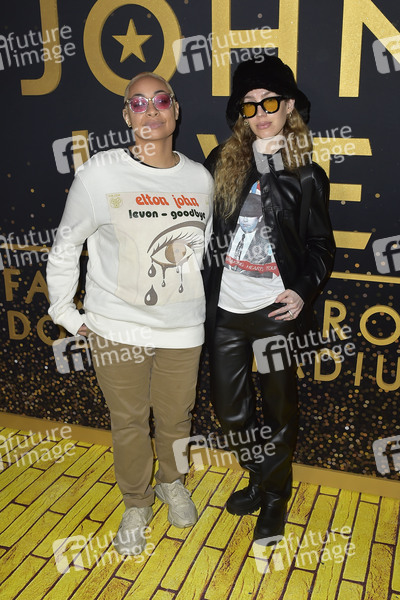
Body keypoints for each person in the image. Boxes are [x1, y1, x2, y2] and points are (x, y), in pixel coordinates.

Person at [47, 72, 213, 555]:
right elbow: (66, 246)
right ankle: (137, 503)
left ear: (176, 110)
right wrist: (66, 313)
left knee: (177, 419)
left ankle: (172, 483)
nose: (151, 110)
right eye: (138, 103)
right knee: (129, 422)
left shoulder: (199, 179)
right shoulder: (100, 173)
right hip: (116, 327)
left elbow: (198, 253)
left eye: (161, 100)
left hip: (183, 328)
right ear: (126, 115)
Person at [203, 56, 335, 544]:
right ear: (240, 112)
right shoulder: (221, 161)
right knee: (230, 413)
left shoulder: (306, 174)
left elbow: (321, 246)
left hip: (275, 312)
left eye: (270, 102)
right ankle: (261, 474)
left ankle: (275, 496)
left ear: (289, 106)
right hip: (226, 310)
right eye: (249, 104)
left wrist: (302, 290)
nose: (260, 113)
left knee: (280, 411)